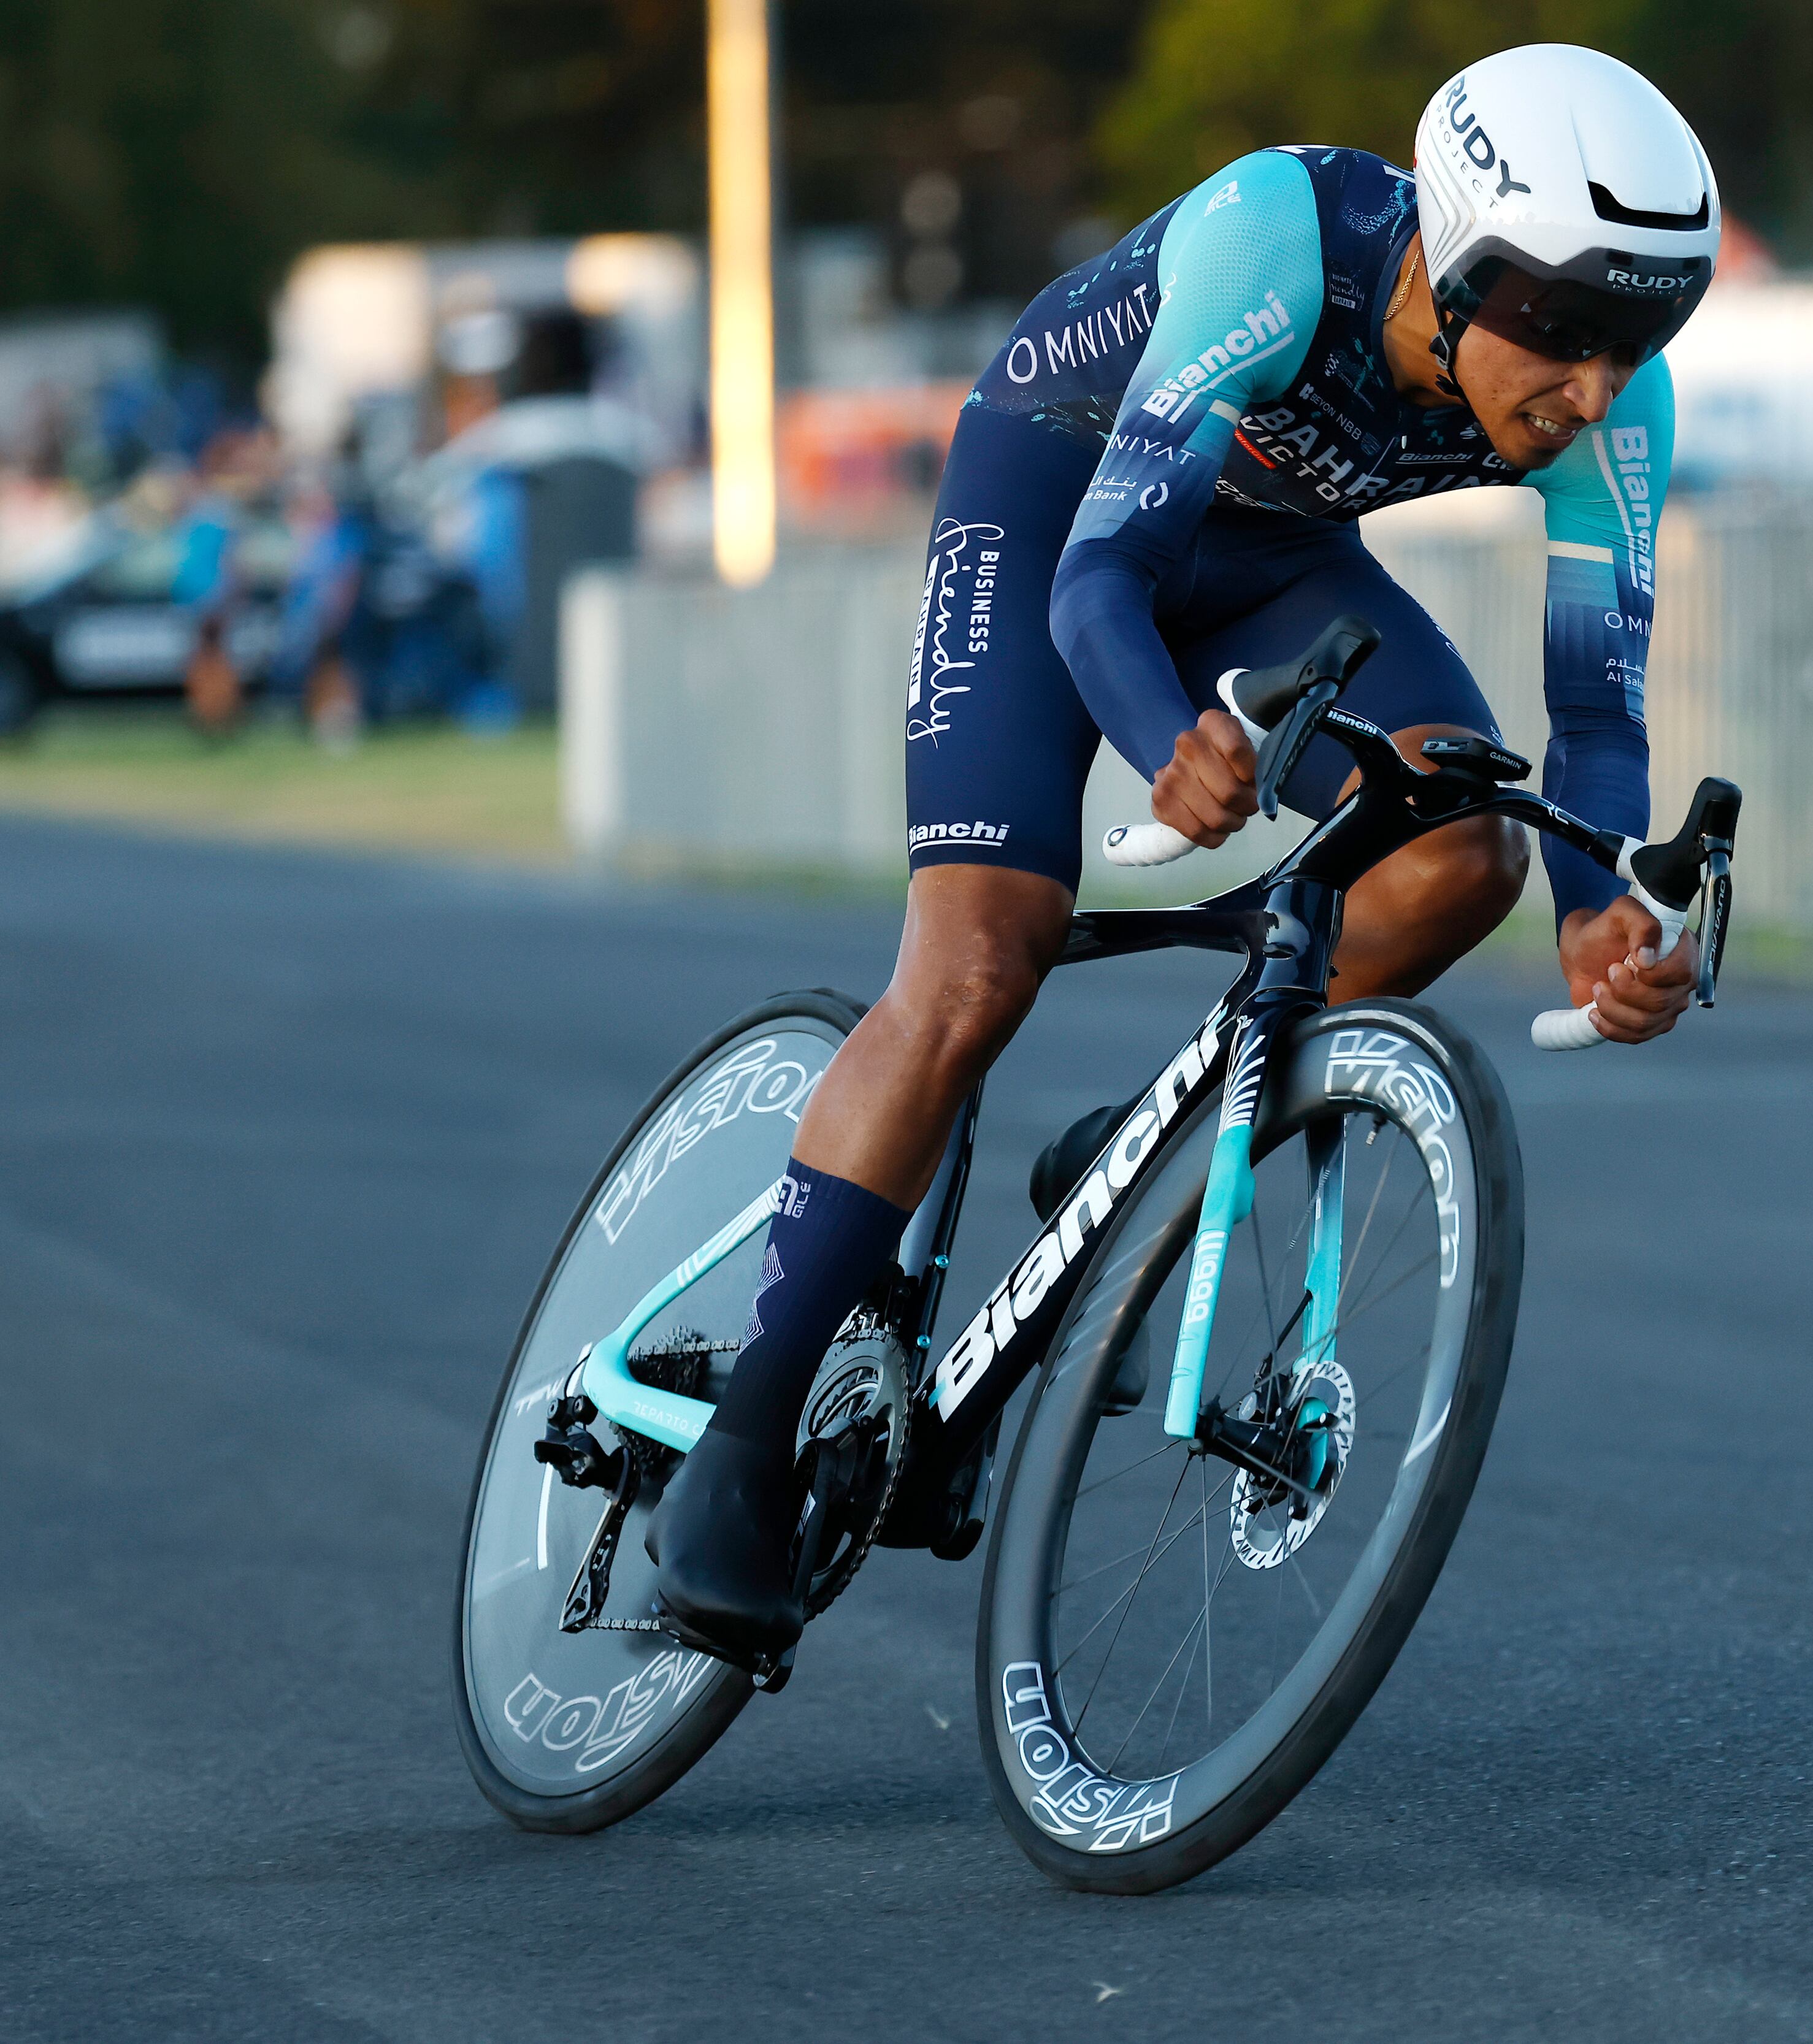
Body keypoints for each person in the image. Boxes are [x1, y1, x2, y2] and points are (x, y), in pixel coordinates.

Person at [646, 45, 1723, 1658]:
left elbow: (1595, 705)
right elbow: (1100, 587)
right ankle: (745, 1435)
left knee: (1462, 847)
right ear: (1457, 258)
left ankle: (1154, 1129)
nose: (1590, 389)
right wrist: (1169, 745)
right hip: (1060, 511)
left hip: (1276, 561)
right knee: (977, 962)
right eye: (1563, 333)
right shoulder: (1277, 243)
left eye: (1634, 342)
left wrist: (1597, 911)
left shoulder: (1612, 403)